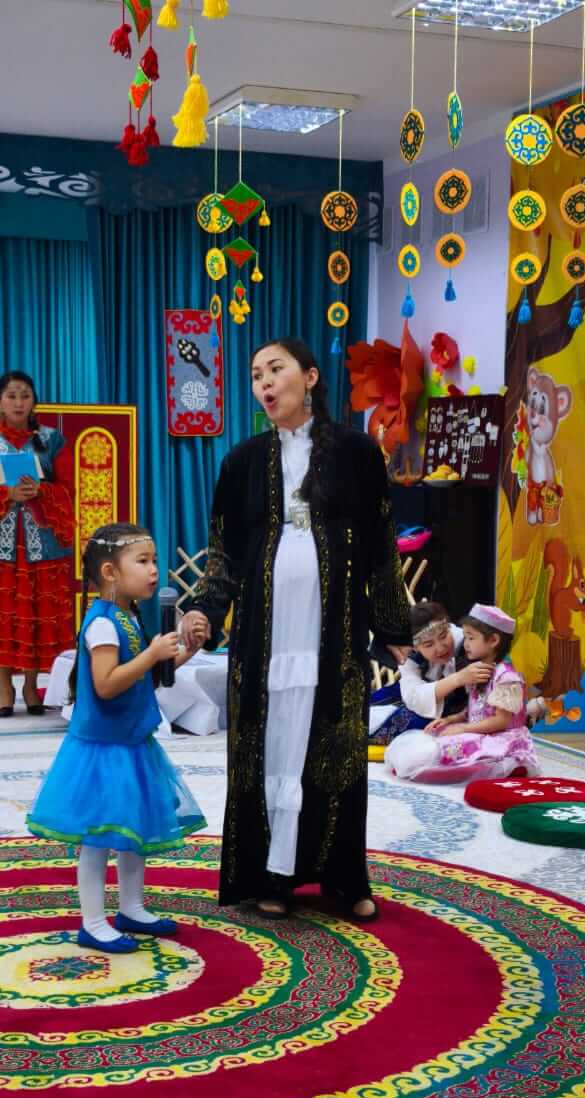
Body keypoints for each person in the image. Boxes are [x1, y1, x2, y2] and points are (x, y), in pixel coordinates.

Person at [180, 337, 412, 922]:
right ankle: (270, 879)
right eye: (255, 373)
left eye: (275, 369)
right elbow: (223, 553)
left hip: (332, 631)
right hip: (263, 634)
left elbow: (382, 543)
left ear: (309, 378)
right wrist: (204, 609)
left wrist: (391, 623)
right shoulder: (241, 462)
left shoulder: (357, 453)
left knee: (334, 749)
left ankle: (342, 879)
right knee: (267, 748)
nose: (263, 382)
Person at [27, 523, 206, 954]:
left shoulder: (128, 617)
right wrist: (151, 654)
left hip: (132, 743)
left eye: (155, 560)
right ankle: (92, 922)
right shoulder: (103, 624)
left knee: (132, 830)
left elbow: (148, 678)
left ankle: (132, 908)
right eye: (142, 561)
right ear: (110, 572)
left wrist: (188, 649)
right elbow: (106, 684)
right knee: (98, 838)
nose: (154, 570)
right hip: (103, 749)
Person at [0, 371, 75, 716]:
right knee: (2, 614)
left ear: (34, 401)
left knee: (36, 614)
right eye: (11, 395)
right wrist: (6, 494)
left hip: (42, 543)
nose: (18, 402)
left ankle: (31, 686)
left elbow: (69, 488)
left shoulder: (51, 440)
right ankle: (5, 687)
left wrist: (43, 491)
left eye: (25, 395)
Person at [386, 604, 539, 784]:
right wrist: (451, 720)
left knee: (438, 749)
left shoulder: (506, 677)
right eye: (428, 644)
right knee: (428, 738)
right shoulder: (476, 668)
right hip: (478, 729)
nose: (465, 643)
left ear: (494, 640)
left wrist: (463, 728)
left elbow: (501, 721)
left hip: (499, 737)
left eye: (470, 638)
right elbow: (475, 708)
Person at [369, 601, 487, 745]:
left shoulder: (468, 644)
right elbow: (413, 697)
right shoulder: (410, 656)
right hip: (417, 693)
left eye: (443, 636)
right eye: (429, 644)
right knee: (366, 704)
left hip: (454, 706)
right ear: (415, 647)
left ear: (449, 627)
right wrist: (458, 679)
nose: (441, 648)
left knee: (412, 723)